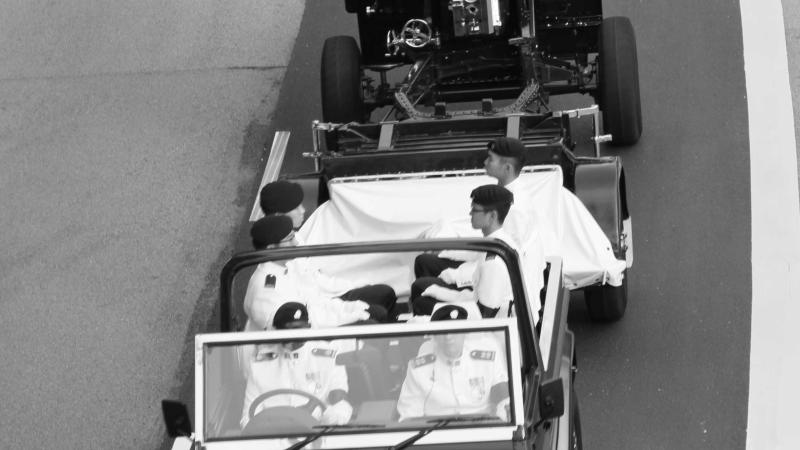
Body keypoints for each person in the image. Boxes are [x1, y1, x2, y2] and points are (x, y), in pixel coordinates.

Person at [244, 215, 397, 330]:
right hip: (307, 338)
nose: (296, 243)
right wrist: (347, 316)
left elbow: (314, 300)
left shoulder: (285, 267)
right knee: (373, 320)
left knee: (380, 303)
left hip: (320, 315)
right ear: (271, 248)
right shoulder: (267, 291)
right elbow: (301, 328)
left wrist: (347, 308)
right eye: (289, 239)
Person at [239, 302, 353, 430]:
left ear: (308, 328)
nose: (295, 337)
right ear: (276, 331)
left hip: (318, 432)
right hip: (273, 434)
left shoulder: (329, 358)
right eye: (288, 332)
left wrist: (326, 420)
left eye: (300, 330)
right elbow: (247, 419)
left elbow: (341, 404)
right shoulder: (260, 365)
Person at [410, 184, 517, 318]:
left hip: (488, 322)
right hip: (480, 307)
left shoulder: (493, 261)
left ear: (492, 216)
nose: (470, 213)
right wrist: (444, 294)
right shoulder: (498, 242)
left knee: (421, 303)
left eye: (475, 210)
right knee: (425, 290)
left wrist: (445, 299)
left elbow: (485, 314)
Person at [395, 304, 510, 421]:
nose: (448, 337)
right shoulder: (418, 369)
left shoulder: (487, 359)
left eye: (454, 330)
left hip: (483, 425)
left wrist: (505, 408)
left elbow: (502, 394)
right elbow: (409, 414)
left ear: (464, 332)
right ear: (435, 336)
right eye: (443, 332)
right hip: (436, 428)